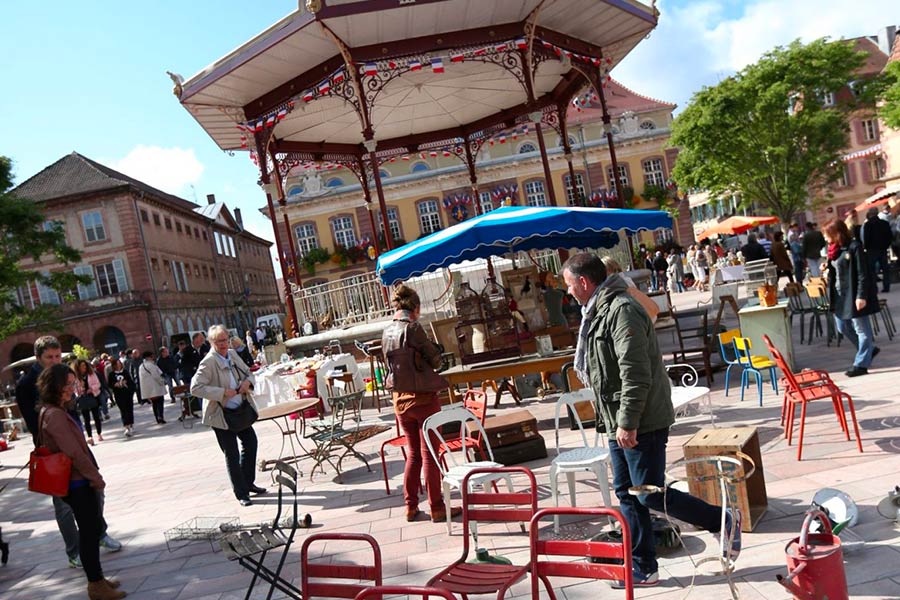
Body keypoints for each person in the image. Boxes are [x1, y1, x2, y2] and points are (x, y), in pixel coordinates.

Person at [561, 253, 741, 587]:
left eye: (570, 285)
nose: (569, 293)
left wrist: (628, 422)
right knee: (627, 494)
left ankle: (722, 519)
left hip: (640, 419)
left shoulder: (622, 311)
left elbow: (636, 373)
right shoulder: (598, 312)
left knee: (648, 494)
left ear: (584, 283)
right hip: (618, 419)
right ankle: (645, 567)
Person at [15, 337, 123, 569]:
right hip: (55, 453)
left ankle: (98, 533)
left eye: (57, 357)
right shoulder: (27, 384)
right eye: (49, 357)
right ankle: (75, 551)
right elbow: (36, 424)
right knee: (64, 505)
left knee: (95, 497)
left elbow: (71, 408)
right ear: (38, 358)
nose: (54, 361)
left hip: (74, 439)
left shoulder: (64, 376)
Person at [36, 364, 127, 600]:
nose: (71, 388)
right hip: (77, 483)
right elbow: (74, 453)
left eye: (73, 383)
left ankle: (98, 578)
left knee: (91, 530)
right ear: (54, 386)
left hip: (76, 482)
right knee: (89, 533)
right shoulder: (55, 415)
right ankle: (95, 585)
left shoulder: (54, 410)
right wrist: (95, 478)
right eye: (67, 384)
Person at [381, 284, 460, 523]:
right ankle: (437, 507)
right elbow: (435, 361)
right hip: (423, 398)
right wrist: (436, 350)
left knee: (413, 453)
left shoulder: (386, 332)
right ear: (415, 307)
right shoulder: (413, 328)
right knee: (430, 454)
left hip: (400, 400)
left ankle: (410, 506)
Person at [191, 324, 266, 507]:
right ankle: (241, 493)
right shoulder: (208, 362)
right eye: (219, 341)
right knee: (231, 453)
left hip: (240, 409)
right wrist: (222, 392)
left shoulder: (232, 354)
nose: (223, 344)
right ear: (211, 342)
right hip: (221, 415)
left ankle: (248, 483)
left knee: (251, 442)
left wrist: (247, 383)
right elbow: (195, 388)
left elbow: (248, 372)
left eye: (225, 340)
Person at [824, 219, 880, 377]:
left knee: (862, 329)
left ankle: (861, 364)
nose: (825, 238)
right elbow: (837, 269)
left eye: (827, 234)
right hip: (840, 295)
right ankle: (869, 350)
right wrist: (828, 268)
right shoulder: (834, 250)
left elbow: (863, 273)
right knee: (842, 327)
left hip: (854, 294)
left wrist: (861, 295)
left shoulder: (854, 247)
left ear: (836, 233)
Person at [862, 207, 893, 293]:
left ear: (870, 214)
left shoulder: (868, 225)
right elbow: (890, 236)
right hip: (883, 248)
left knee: (872, 270)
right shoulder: (885, 223)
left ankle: (874, 288)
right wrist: (886, 245)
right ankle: (886, 286)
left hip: (872, 250)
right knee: (885, 268)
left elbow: (866, 238)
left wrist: (866, 247)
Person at [74, 360, 105, 445]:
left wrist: (91, 389)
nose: (83, 367)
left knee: (96, 416)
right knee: (86, 419)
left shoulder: (91, 374)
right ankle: (90, 436)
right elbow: (74, 388)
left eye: (84, 365)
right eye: (81, 366)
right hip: (83, 398)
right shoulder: (76, 377)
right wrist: (79, 392)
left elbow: (98, 384)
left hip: (92, 396)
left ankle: (99, 433)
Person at [107, 359, 135, 437]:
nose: (118, 365)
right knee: (123, 410)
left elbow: (130, 381)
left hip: (127, 393)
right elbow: (109, 384)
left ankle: (131, 424)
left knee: (129, 409)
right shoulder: (111, 374)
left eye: (119, 363)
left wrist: (127, 384)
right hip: (118, 394)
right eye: (117, 364)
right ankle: (127, 426)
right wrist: (115, 384)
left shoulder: (125, 372)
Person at [138, 351, 167, 424]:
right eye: (151, 356)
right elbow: (156, 376)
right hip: (156, 387)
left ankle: (157, 417)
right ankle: (160, 416)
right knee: (160, 401)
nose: (153, 357)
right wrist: (162, 381)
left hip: (148, 389)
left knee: (154, 403)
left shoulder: (141, 366)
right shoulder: (151, 365)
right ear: (148, 357)